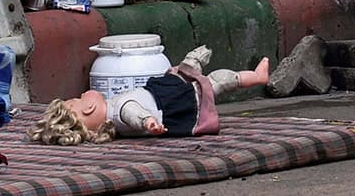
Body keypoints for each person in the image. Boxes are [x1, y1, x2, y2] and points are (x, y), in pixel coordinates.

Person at [28, 46, 269, 145]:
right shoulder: (121, 111)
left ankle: (192, 64)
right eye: (78, 100)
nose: (81, 95)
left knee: (186, 71)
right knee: (217, 81)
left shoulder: (114, 110)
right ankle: (255, 78)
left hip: (162, 91)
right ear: (88, 109)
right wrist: (148, 122)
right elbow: (134, 113)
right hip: (172, 101)